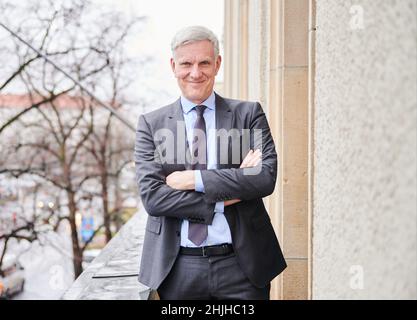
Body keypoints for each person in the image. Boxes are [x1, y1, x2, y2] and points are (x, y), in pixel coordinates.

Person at [135, 26, 286, 300]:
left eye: (204, 62)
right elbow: (153, 198)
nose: (195, 73)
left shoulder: (248, 114)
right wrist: (228, 192)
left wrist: (194, 180)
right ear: (173, 66)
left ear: (217, 64)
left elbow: (265, 178)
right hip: (178, 268)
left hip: (243, 267)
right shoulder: (151, 124)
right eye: (186, 64)